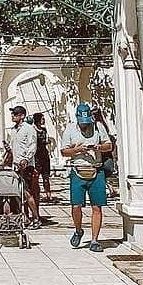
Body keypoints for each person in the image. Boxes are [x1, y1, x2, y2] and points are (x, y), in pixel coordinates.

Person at [61, 101, 112, 252]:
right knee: (76, 206)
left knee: (97, 207)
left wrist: (98, 147)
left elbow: (109, 145)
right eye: (82, 122)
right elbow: (64, 151)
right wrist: (77, 150)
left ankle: (95, 240)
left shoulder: (98, 127)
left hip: (96, 170)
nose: (85, 125)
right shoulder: (70, 129)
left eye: (86, 121)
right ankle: (78, 230)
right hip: (78, 170)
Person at [4, 104, 41, 229]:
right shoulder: (13, 130)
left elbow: (32, 146)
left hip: (26, 165)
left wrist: (26, 159)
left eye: (15, 114)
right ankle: (25, 217)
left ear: (22, 116)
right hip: (15, 165)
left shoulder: (29, 129)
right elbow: (13, 147)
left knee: (27, 192)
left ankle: (36, 217)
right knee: (18, 193)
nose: (13, 116)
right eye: (13, 114)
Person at [32, 112, 54, 204]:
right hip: (36, 155)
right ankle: (36, 194)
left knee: (46, 176)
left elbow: (46, 140)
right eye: (42, 118)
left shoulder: (44, 130)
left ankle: (48, 195)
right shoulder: (33, 130)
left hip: (44, 155)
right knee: (36, 177)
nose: (43, 120)